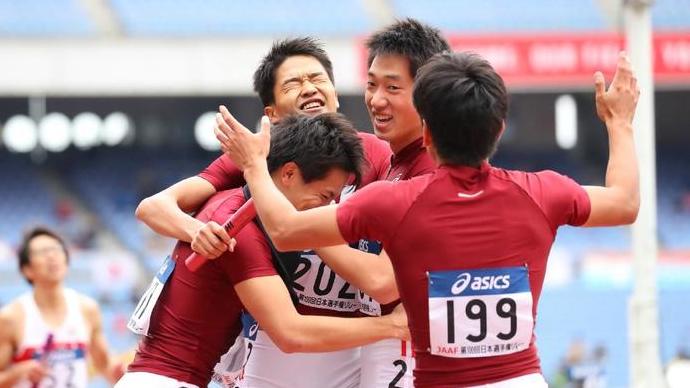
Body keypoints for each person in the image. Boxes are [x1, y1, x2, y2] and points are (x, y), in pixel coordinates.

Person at [214, 50, 640, 387]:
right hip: (522, 379)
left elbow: (286, 231)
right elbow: (624, 203)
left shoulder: (394, 201)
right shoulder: (543, 191)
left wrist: (255, 165)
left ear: (428, 133)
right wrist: (619, 123)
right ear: (499, 128)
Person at [135, 37, 392, 388]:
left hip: (350, 337)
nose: (309, 89)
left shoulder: (376, 154)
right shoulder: (256, 159)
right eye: (293, 84)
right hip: (279, 337)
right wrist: (196, 230)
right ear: (272, 116)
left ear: (335, 94)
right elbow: (153, 207)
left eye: (318, 80)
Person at [311, 18, 449, 388]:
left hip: (407, 345)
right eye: (371, 85)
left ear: (429, 93)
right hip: (385, 341)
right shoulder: (393, 160)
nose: (376, 99)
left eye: (392, 87)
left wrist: (306, 219)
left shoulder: (428, 169)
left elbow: (383, 282)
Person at [0, 227, 125, 388]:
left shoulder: (87, 309)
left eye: (56, 249)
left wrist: (119, 374)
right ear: (27, 270)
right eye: (42, 252)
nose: (52, 256)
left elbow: (104, 365)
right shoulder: (11, 317)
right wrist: (18, 372)